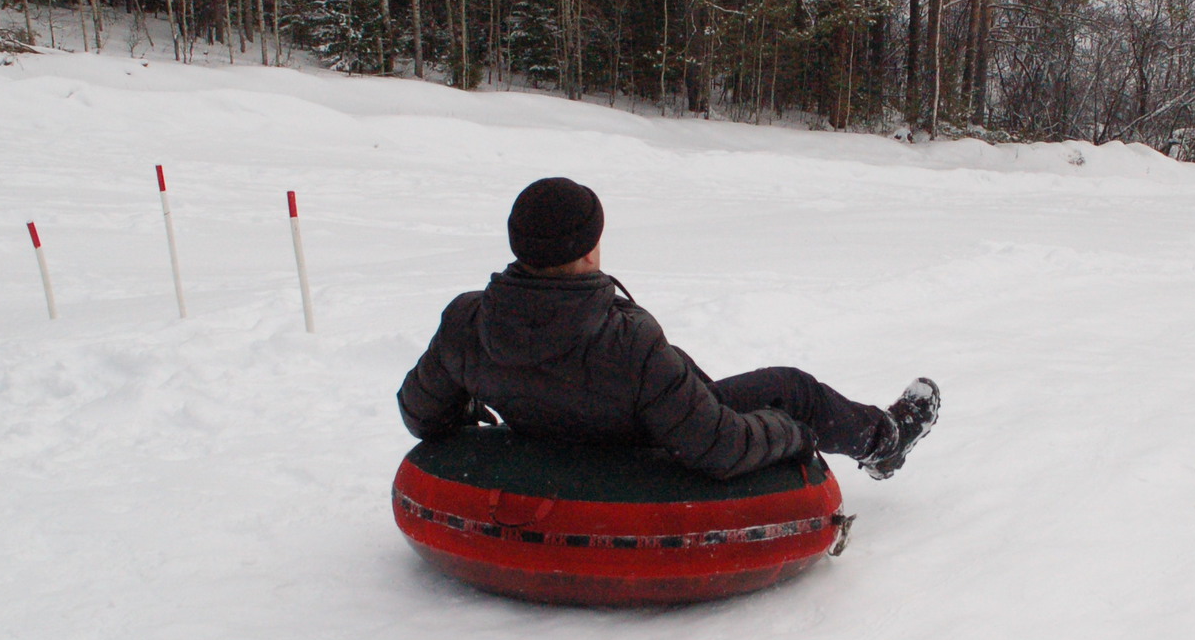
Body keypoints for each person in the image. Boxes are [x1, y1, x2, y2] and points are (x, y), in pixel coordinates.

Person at [397, 177, 939, 481]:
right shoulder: (625, 340)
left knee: (678, 366)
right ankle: (885, 442)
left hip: (568, 428)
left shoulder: (466, 320)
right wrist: (793, 430)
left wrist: (487, 411)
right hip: (644, 447)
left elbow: (420, 410)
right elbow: (718, 445)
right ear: (590, 248)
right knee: (792, 389)